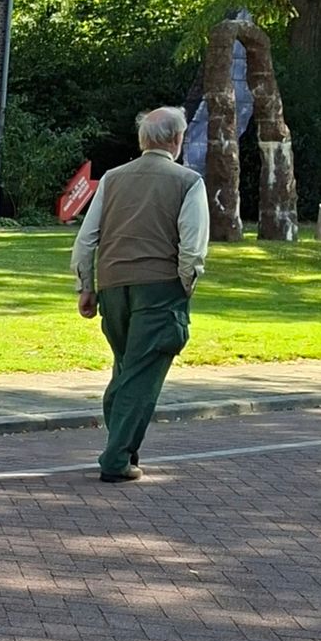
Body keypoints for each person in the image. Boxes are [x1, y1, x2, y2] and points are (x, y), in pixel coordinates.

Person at [71, 107, 210, 484]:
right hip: (160, 285)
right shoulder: (187, 181)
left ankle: (124, 448)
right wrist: (186, 284)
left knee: (126, 369)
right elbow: (193, 245)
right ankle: (116, 458)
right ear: (177, 139)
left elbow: (87, 238)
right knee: (142, 375)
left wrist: (87, 285)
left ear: (143, 139)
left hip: (114, 286)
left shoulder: (113, 178)